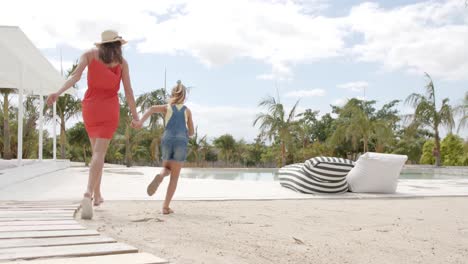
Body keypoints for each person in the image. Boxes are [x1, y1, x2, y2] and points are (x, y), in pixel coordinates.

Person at [47, 30, 139, 219]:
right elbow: (128, 91)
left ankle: (97, 195)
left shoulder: (89, 55)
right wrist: (136, 116)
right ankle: (88, 192)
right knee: (99, 153)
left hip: (91, 107)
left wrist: (58, 92)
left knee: (96, 152)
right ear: (117, 45)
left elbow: (75, 76)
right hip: (109, 108)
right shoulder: (122, 63)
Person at [132, 81, 194, 214]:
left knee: (166, 169)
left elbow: (151, 109)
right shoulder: (187, 111)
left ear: (172, 94)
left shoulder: (167, 107)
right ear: (184, 96)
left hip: (167, 139)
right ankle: (165, 207)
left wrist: (140, 122)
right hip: (181, 141)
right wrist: (185, 132)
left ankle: (160, 176)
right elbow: (191, 132)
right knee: (174, 177)